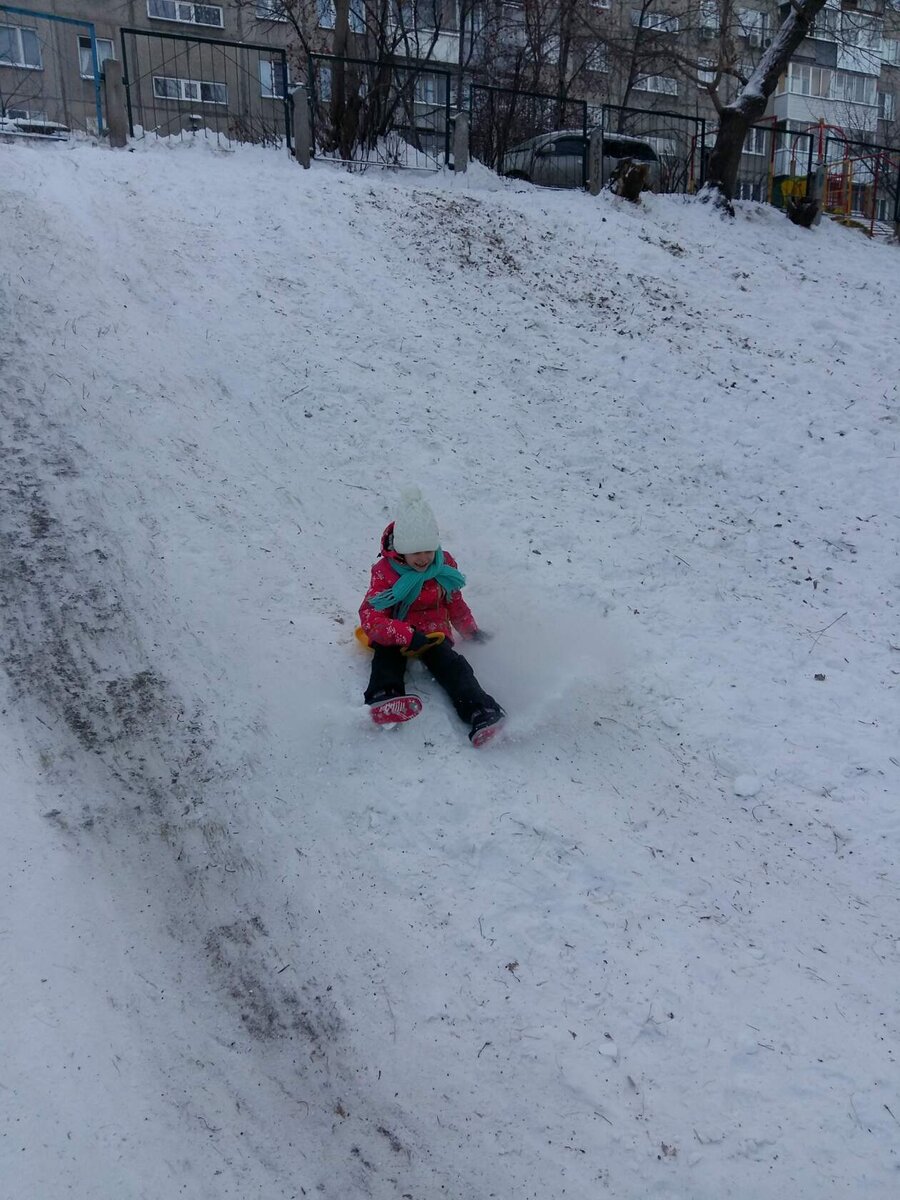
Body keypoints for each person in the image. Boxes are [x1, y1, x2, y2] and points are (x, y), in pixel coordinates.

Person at [357, 488, 505, 744]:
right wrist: (403, 634)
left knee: (453, 666)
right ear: (402, 550)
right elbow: (371, 616)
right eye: (416, 552)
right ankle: (384, 696)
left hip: (432, 633)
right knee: (386, 655)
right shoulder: (385, 573)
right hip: (397, 628)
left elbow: (454, 602)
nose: (424, 558)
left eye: (428, 550)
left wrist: (470, 631)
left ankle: (481, 711)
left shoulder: (444, 567)